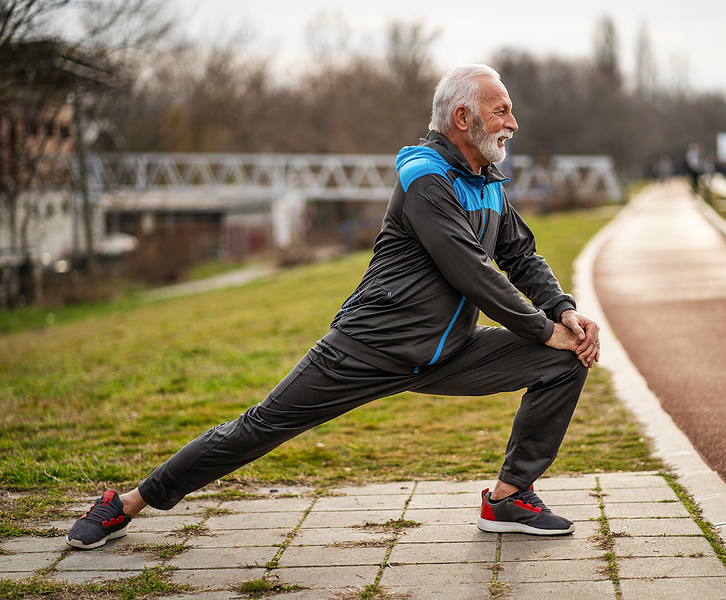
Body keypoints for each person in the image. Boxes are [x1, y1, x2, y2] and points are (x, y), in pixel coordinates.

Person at [65, 64, 601, 550]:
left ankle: (508, 497)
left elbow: (519, 254)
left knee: (564, 356)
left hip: (448, 351)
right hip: (367, 349)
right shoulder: (426, 178)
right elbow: (471, 270)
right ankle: (127, 503)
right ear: (463, 117)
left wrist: (562, 310)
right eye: (501, 109)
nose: (513, 120)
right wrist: (538, 326)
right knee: (258, 427)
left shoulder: (487, 183)